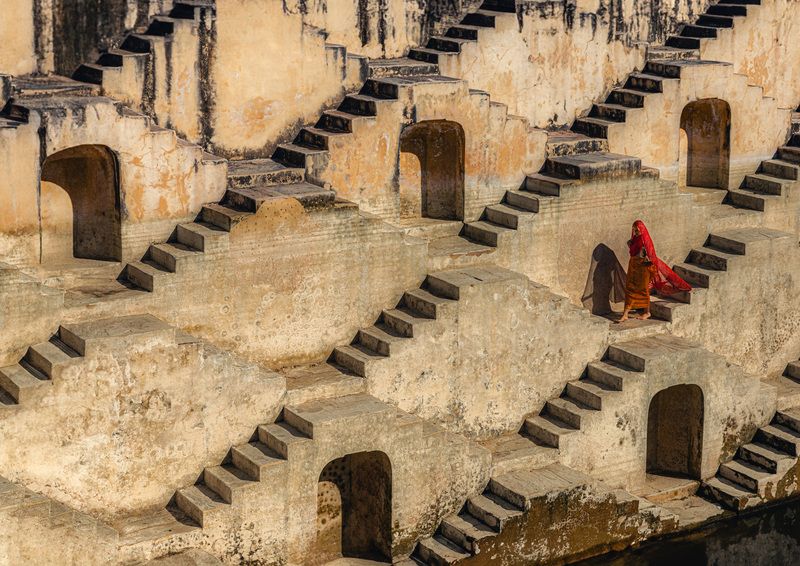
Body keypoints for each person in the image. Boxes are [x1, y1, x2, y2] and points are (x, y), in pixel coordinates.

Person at [619, 220, 692, 323]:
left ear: (642, 230)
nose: (636, 232)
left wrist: (649, 267)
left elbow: (650, 257)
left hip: (643, 268)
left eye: (638, 230)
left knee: (644, 290)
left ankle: (644, 312)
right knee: (630, 289)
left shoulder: (645, 241)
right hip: (633, 268)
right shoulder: (634, 239)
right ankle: (626, 314)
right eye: (634, 230)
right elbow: (632, 253)